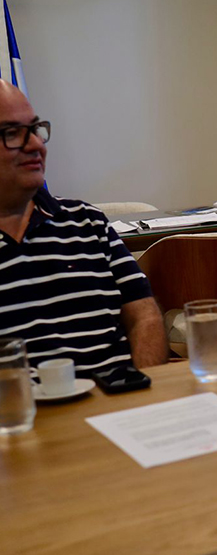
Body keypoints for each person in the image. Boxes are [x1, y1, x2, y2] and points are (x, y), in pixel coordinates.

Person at [0, 81, 167, 376]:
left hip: (116, 403)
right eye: (12, 133)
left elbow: (144, 316)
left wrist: (143, 390)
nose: (37, 145)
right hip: (24, 417)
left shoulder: (87, 221)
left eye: (35, 129)